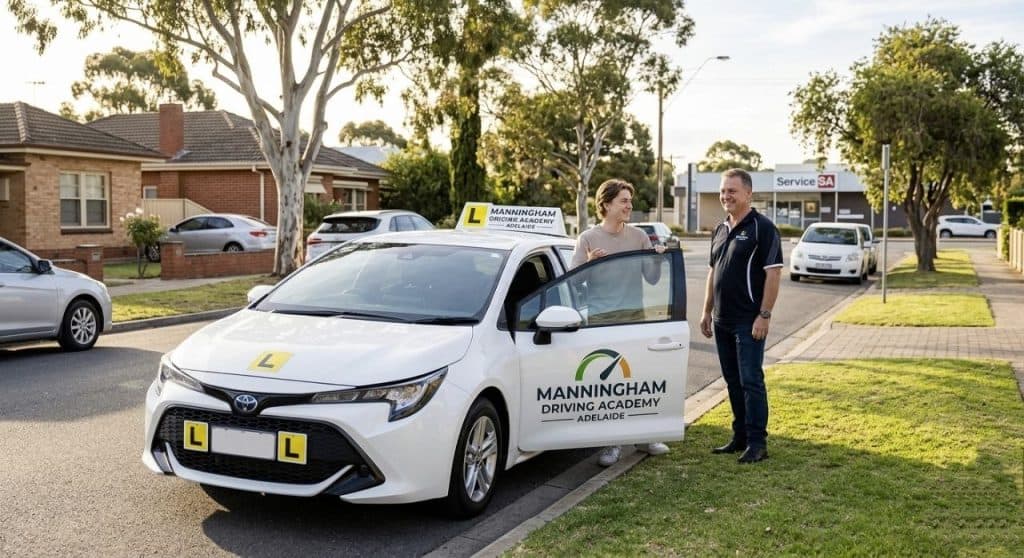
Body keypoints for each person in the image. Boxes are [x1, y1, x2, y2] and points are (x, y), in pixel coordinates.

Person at [571, 178, 669, 467]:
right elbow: (573, 281)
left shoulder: (639, 236)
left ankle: (646, 437)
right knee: (611, 385)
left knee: (639, 381)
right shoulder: (588, 239)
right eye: (624, 201)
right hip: (602, 323)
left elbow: (651, 278)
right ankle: (611, 444)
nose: (630, 206)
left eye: (630, 200)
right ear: (606, 204)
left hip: (634, 320)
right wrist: (589, 261)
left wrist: (657, 258)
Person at [700, 168, 782, 464]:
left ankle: (758, 443)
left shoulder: (764, 228)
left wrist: (764, 315)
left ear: (748, 193)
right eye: (723, 191)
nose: (726, 196)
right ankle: (740, 436)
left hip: (749, 320)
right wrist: (707, 310)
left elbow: (773, 274)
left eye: (732, 191)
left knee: (751, 380)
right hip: (721, 319)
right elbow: (713, 271)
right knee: (732, 380)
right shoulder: (720, 229)